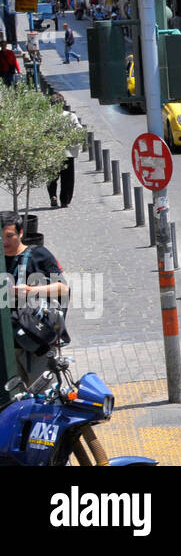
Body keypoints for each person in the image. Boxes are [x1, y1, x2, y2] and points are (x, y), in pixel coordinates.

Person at [3, 212, 71, 384]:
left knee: (43, 397)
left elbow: (63, 289)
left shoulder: (39, 255)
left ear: (20, 233)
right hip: (6, 347)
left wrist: (31, 290)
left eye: (9, 236)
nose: (4, 242)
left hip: (35, 342)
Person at [46, 95, 80, 208]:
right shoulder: (70, 116)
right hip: (67, 153)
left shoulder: (46, 117)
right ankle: (64, 200)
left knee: (51, 176)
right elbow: (78, 130)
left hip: (51, 152)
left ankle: (52, 196)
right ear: (62, 104)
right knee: (67, 179)